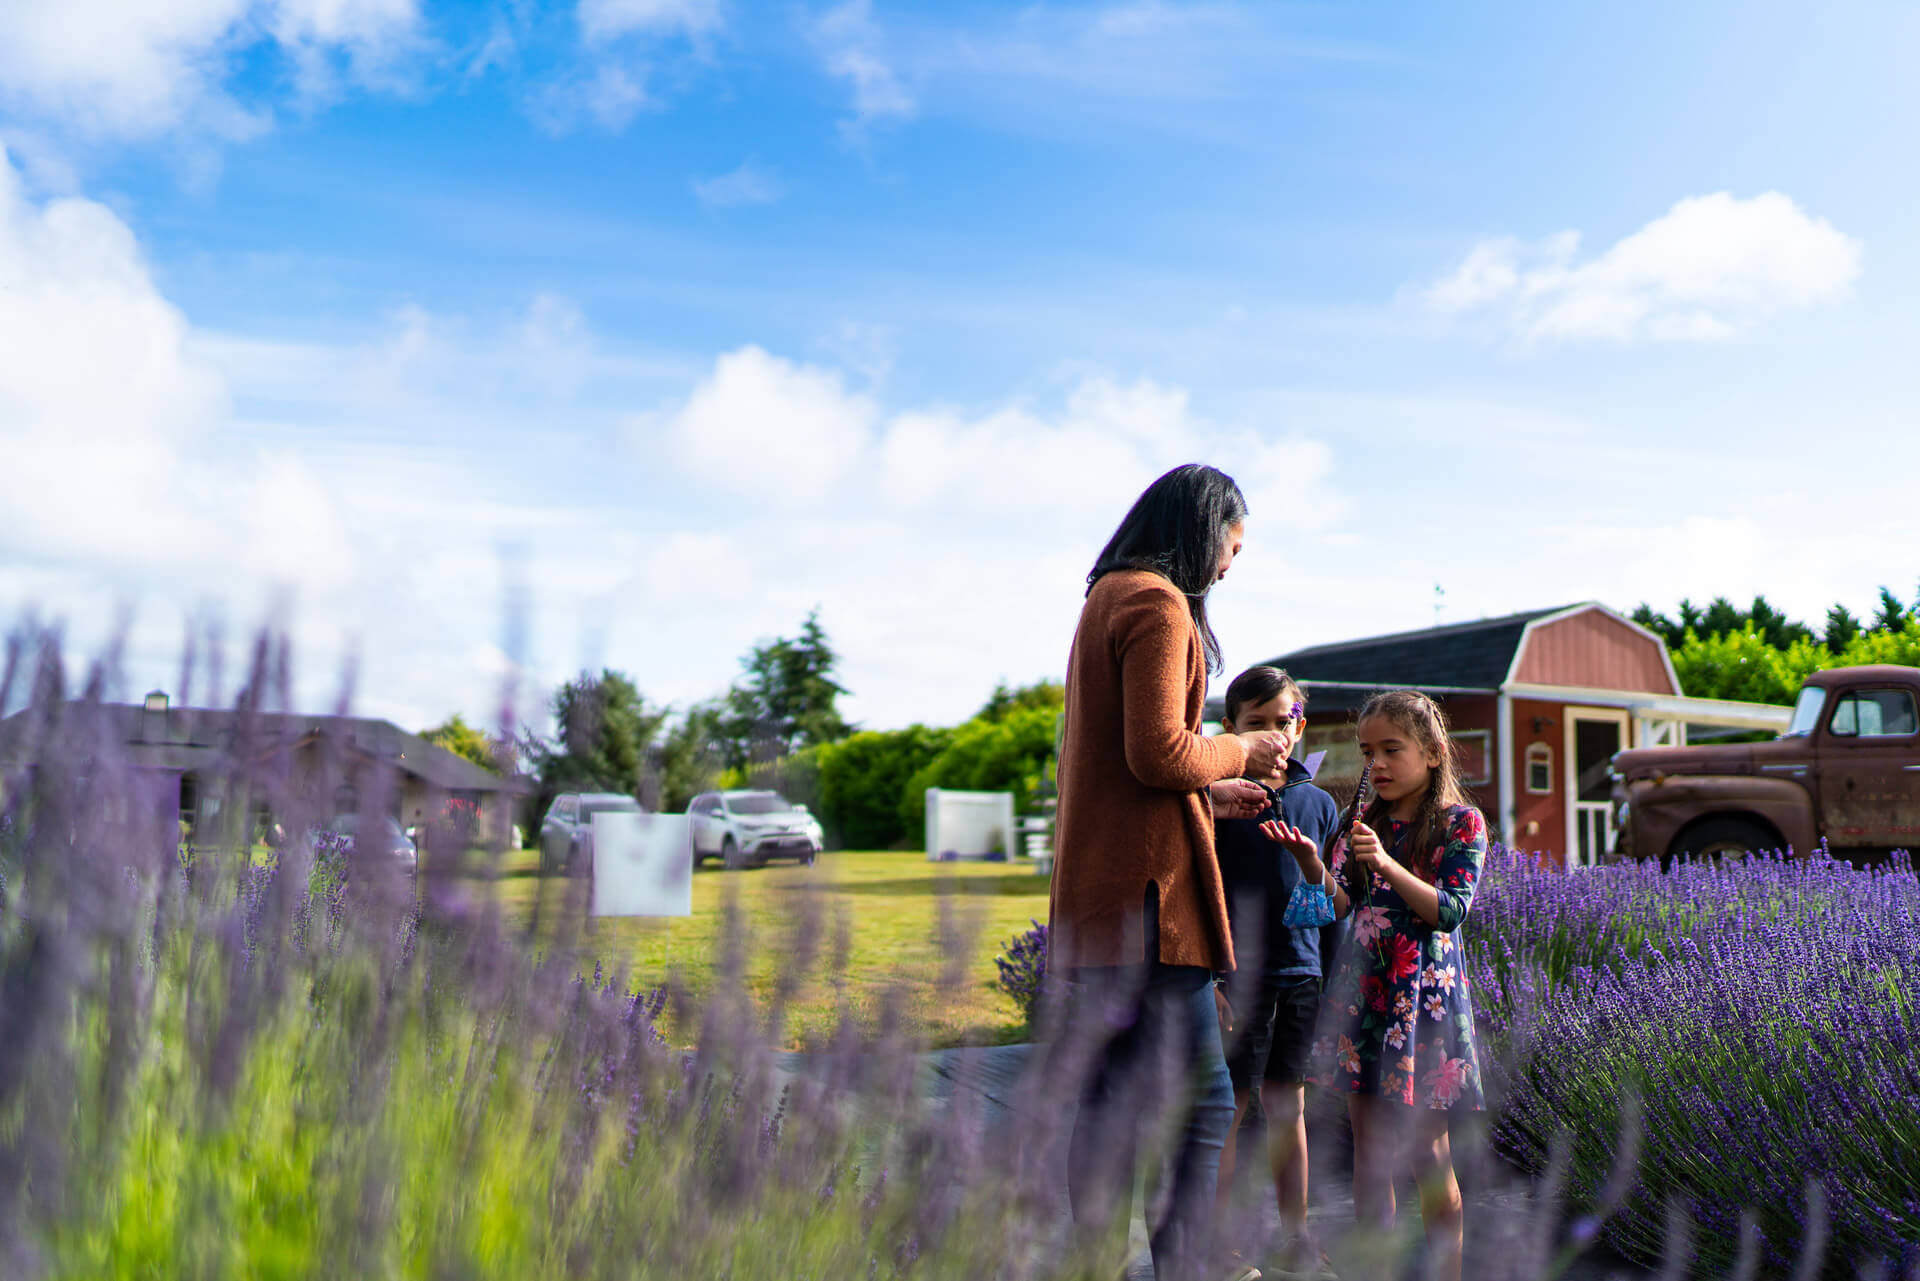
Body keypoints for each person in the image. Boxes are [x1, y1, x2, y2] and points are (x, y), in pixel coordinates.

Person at [1049, 463, 1294, 1281]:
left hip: (1100, 896)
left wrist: (1206, 790)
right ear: (1204, 529)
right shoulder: (1155, 601)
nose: (1231, 564)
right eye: (1233, 543)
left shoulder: (1104, 597)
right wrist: (1244, 749)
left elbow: (1135, 767)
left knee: (1112, 1104)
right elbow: (1157, 751)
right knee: (1203, 1103)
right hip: (1149, 905)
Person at [1309, 690, 1488, 1281]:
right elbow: (1336, 904)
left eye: (1392, 748)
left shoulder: (1461, 822)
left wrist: (1386, 864)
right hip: (1363, 996)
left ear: (1434, 753)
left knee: (1425, 1151)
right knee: (1368, 1151)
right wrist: (1315, 863)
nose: (1376, 764)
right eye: (1367, 752)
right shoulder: (1364, 824)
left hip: (1423, 1002)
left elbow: (1450, 910)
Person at [1209, 667, 1339, 1275]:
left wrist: (1315, 868)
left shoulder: (1318, 803)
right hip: (1237, 977)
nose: (1272, 734)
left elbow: (1329, 906)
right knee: (1230, 1107)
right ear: (1230, 730)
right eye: (1254, 723)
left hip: (1302, 975)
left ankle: (1295, 1235)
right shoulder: (1212, 800)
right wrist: (1211, 978)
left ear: (1300, 726)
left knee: (1289, 1106)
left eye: (1282, 722)